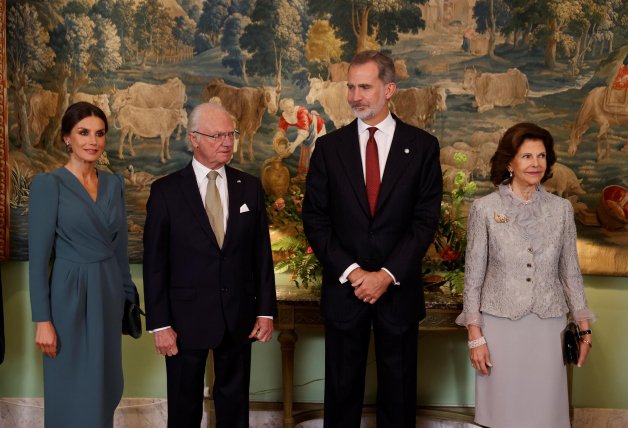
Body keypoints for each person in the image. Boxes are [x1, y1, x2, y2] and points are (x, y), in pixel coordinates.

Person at [302, 50, 443, 428]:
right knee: (341, 392)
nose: (354, 96)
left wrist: (386, 274)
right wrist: (352, 272)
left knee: (398, 394)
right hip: (345, 291)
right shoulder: (329, 149)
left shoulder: (423, 147)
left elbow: (425, 220)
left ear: (389, 89)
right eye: (351, 87)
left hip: (397, 292)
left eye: (364, 87)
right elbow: (315, 219)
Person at [143, 102, 277, 428]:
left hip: (239, 316)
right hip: (184, 320)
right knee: (184, 407)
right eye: (217, 135)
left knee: (234, 408)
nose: (227, 142)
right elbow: (155, 264)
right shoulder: (166, 192)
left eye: (231, 133)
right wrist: (159, 324)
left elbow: (261, 254)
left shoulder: (250, 187)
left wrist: (266, 311)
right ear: (194, 138)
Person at [456, 122, 595, 428]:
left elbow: (570, 272)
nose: (536, 164)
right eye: (527, 156)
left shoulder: (561, 210)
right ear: (510, 162)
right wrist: (475, 337)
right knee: (503, 412)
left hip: (549, 326)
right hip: (500, 326)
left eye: (541, 156)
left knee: (545, 414)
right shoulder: (485, 209)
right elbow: (473, 277)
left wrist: (584, 328)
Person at [28, 102, 136, 428]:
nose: (93, 141)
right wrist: (42, 321)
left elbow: (119, 251)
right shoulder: (49, 185)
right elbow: (38, 260)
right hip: (68, 297)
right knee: (70, 388)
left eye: (99, 133)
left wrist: (127, 300)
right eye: (83, 132)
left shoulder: (114, 185)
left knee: (105, 387)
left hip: (107, 295)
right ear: (66, 138)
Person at [273, 97, 326, 179]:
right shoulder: (284, 116)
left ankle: (318, 176)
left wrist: (294, 145)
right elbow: (281, 129)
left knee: (315, 152)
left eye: (291, 106)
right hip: (305, 131)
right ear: (283, 109)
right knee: (304, 152)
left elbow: (304, 131)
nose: (290, 109)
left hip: (317, 128)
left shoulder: (301, 112)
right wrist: (277, 141)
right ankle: (303, 176)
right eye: (287, 107)